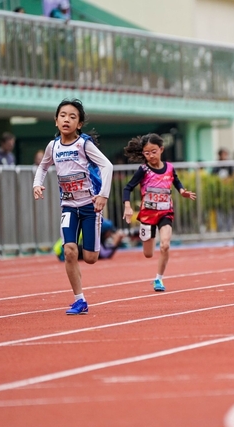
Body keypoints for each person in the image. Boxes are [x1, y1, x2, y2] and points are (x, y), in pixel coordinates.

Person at [33, 99, 113, 315]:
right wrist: (37, 184)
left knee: (90, 258)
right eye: (63, 115)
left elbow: (107, 166)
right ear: (56, 121)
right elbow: (43, 167)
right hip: (68, 207)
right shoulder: (53, 146)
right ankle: (80, 300)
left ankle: (93, 245)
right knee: (69, 251)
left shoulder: (84, 145)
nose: (66, 119)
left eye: (72, 116)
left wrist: (103, 196)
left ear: (79, 124)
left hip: (89, 206)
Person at [122, 134, 197, 292]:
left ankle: (159, 279)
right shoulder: (143, 170)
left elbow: (176, 181)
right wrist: (127, 206)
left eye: (154, 152)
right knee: (148, 254)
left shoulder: (169, 167)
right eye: (147, 153)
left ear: (161, 149)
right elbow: (127, 188)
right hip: (148, 215)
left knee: (165, 245)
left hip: (165, 212)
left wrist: (182, 191)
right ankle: (147, 240)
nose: (151, 156)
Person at [53, 219, 124, 261]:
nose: (110, 235)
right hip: (63, 252)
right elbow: (104, 254)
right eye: (109, 232)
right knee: (93, 255)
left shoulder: (89, 230)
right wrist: (115, 243)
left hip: (62, 249)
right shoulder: (92, 232)